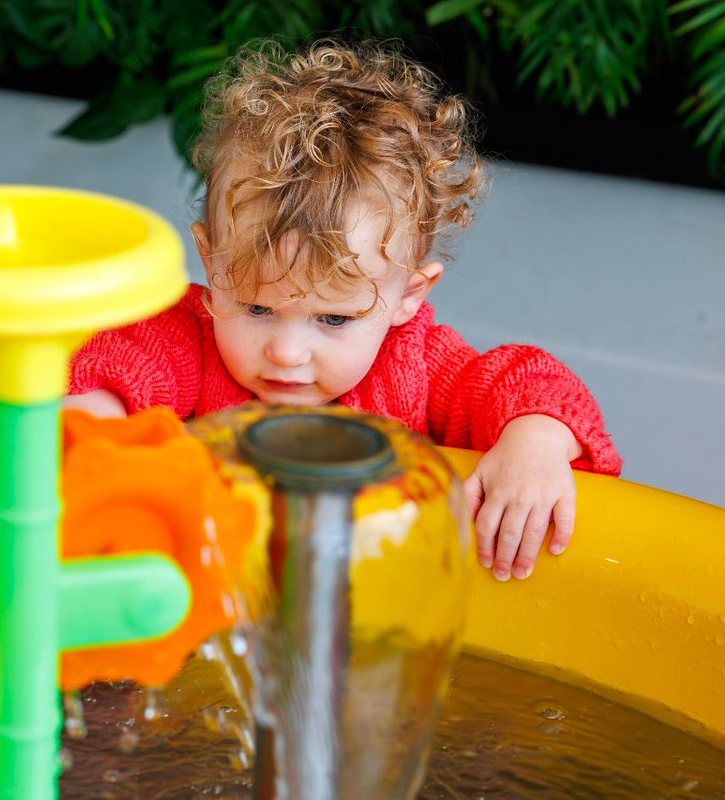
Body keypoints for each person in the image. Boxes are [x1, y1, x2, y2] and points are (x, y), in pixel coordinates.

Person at [65, 39, 622, 581]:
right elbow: (115, 361)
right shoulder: (191, 334)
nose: (286, 352)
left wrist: (535, 444)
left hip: (374, 595)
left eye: (332, 320)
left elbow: (530, 382)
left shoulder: (416, 363)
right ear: (211, 261)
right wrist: (93, 425)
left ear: (408, 295)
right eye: (257, 307)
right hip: (210, 596)